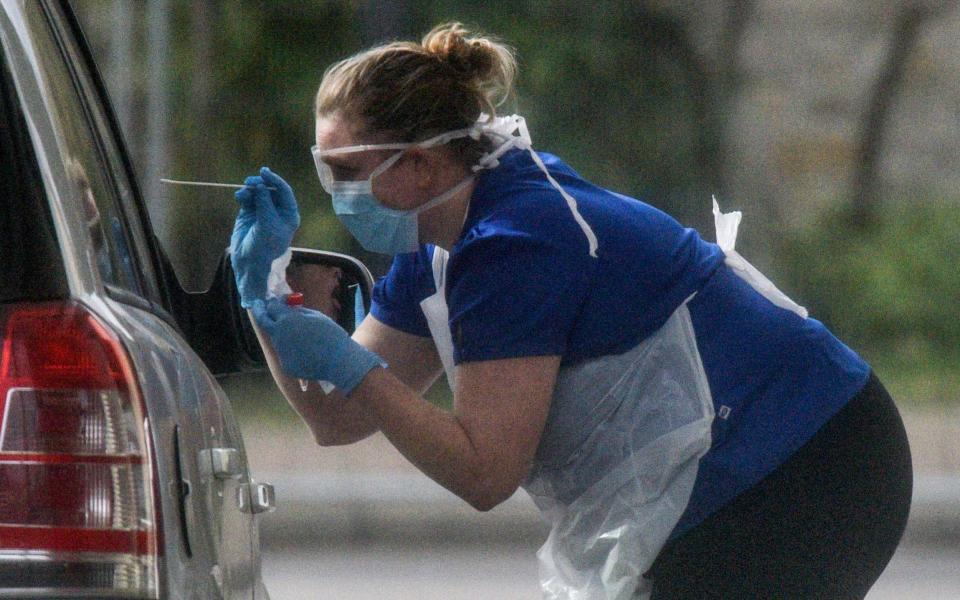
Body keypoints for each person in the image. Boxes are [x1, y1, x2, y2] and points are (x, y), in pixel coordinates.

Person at [229, 23, 912, 599]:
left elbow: (484, 473)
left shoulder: (517, 242)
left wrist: (352, 363)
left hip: (809, 461)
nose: (331, 190)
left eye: (344, 170)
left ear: (420, 165)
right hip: (739, 469)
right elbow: (336, 417)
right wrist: (260, 292)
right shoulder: (434, 243)